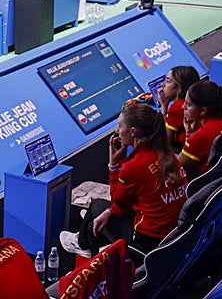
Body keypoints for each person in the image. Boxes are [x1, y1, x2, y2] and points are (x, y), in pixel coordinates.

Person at [60, 102, 187, 257]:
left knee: (97, 206)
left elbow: (118, 203)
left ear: (133, 131)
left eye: (120, 126)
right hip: (175, 234)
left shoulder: (134, 167)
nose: (117, 131)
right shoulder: (170, 155)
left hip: (147, 242)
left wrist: (113, 166)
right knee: (104, 213)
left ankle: (84, 245)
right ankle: (85, 236)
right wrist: (110, 211)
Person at [179, 80, 222, 178]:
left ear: (203, 111)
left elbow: (178, 165)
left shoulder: (200, 136)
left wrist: (188, 135)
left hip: (205, 182)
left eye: (188, 104)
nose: (183, 107)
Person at [160, 65, 200, 152]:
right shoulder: (197, 99)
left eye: (168, 81)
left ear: (179, 87)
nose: (163, 84)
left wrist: (164, 110)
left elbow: (165, 140)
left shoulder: (178, 107)